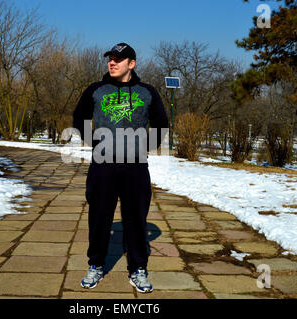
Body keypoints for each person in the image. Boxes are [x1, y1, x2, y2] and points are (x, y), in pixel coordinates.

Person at [72, 43, 168, 293]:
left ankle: (138, 268)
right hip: (102, 166)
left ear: (131, 64)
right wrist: (94, 143)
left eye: (118, 59)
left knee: (136, 218)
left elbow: (161, 123)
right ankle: (96, 265)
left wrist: (143, 146)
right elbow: (78, 117)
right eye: (110, 59)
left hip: (135, 168)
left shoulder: (147, 92)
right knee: (99, 217)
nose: (111, 63)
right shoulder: (96, 90)